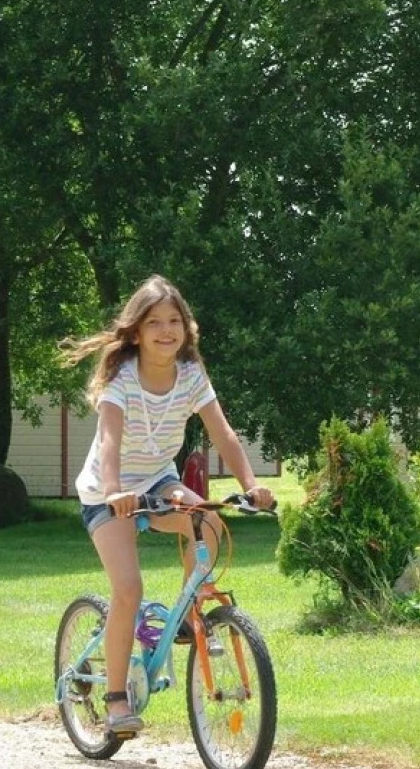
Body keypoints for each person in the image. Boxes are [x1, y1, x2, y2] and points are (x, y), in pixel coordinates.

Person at [61, 275, 275, 737]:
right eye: (154, 321)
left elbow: (224, 434)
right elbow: (111, 441)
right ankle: (117, 700)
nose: (166, 330)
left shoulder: (192, 375)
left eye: (174, 320)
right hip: (107, 491)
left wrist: (252, 485)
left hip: (159, 479)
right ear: (136, 331)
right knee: (129, 591)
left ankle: (189, 612)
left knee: (209, 522)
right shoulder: (122, 378)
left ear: (187, 327)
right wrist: (116, 491)